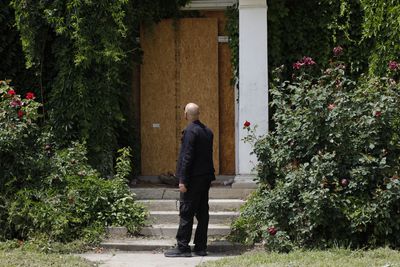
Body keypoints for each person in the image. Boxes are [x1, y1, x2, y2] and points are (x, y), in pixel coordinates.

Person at [164, 103, 215, 257]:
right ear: (198, 114)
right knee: (202, 213)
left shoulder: (190, 132)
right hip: (204, 179)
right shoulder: (208, 132)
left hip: (192, 180)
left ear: (186, 114)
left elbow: (187, 157)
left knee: (186, 212)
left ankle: (183, 247)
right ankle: (200, 247)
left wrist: (182, 180)